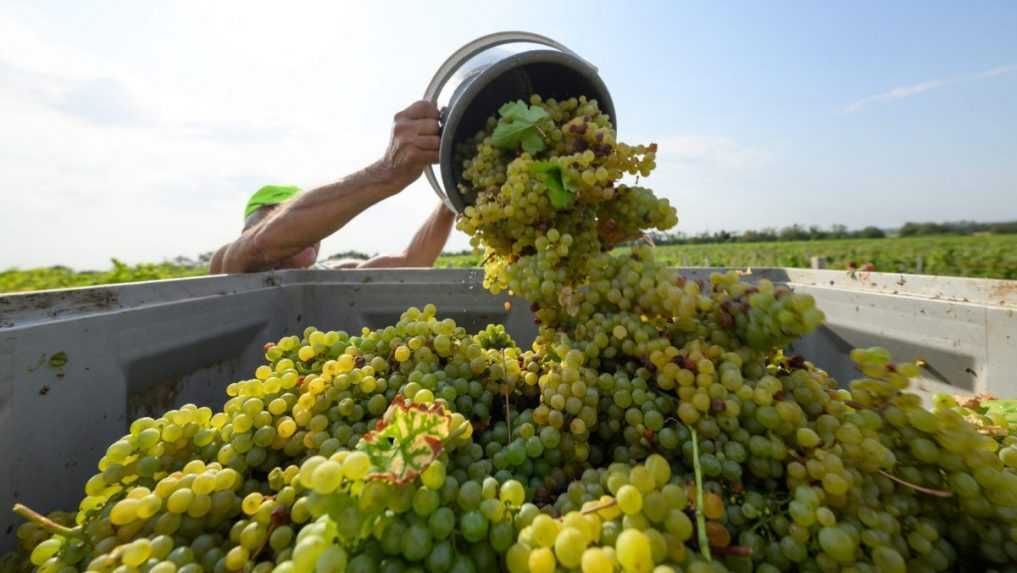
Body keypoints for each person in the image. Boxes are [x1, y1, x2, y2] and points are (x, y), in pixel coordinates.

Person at [209, 101, 455, 274]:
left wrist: (451, 198)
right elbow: (262, 243)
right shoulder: (228, 263)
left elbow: (412, 261)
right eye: (275, 216)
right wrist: (386, 172)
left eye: (314, 219)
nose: (304, 231)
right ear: (247, 229)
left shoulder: (331, 272)